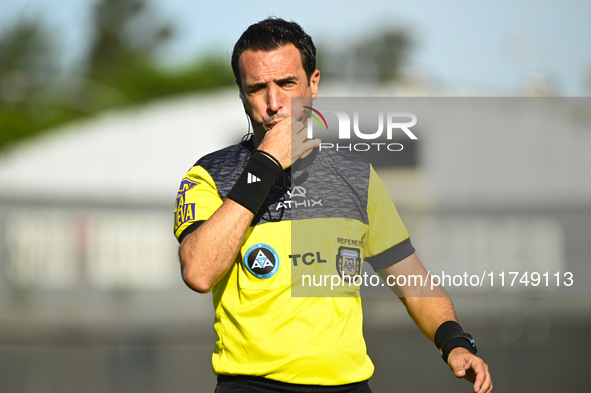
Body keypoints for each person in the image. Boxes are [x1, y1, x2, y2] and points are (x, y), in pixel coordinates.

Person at [174, 17, 492, 393]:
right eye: (258, 88)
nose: (274, 103)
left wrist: (454, 342)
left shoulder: (356, 176)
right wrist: (266, 165)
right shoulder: (209, 175)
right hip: (251, 386)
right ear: (242, 94)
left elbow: (412, 280)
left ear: (313, 84)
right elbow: (198, 271)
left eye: (287, 84)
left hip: (350, 386)